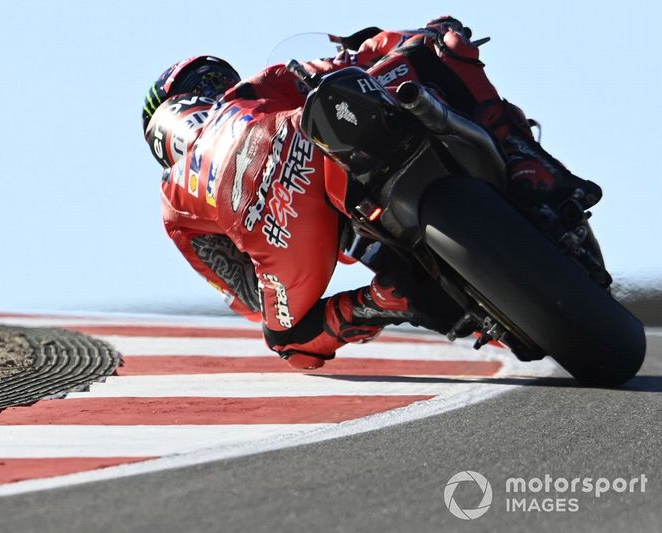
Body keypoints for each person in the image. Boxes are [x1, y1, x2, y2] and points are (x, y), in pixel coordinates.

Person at [141, 16, 600, 370]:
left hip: (278, 224)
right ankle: (523, 159)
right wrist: (433, 35)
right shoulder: (253, 89)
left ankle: (387, 299)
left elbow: (248, 300)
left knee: (290, 341)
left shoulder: (174, 197)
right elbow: (346, 65)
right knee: (433, 50)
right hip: (296, 136)